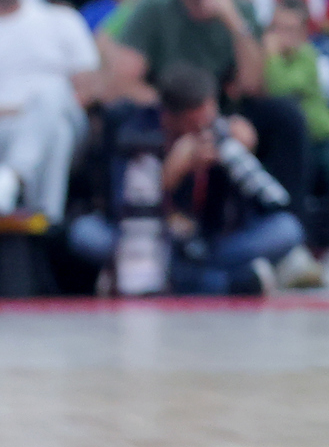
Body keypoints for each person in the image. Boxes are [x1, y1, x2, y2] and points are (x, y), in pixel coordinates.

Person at [98, 0, 312, 203]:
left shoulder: (242, 12)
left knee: (285, 115)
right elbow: (122, 84)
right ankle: (123, 214)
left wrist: (235, 24)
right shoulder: (156, 3)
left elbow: (253, 86)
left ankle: (285, 222)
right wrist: (182, 113)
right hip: (166, 110)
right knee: (118, 115)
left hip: (222, 113)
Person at [73, 63, 309, 296]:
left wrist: (240, 157)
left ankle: (183, 279)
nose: (203, 128)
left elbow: (261, 202)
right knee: (86, 234)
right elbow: (120, 207)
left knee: (287, 229)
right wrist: (168, 176)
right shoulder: (137, 134)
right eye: (194, 123)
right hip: (153, 241)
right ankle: (224, 282)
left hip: (211, 242)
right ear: (168, 116)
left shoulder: (221, 132)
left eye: (210, 117)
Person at [0, 0, 103, 219]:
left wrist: (33, 115)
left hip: (60, 116)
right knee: (55, 133)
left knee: (52, 94)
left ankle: (11, 178)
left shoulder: (61, 19)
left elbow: (87, 88)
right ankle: (45, 222)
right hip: (6, 124)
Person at [261, 0, 329, 292]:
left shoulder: (309, 56)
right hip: (287, 144)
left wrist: (271, 58)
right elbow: (275, 89)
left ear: (304, 33)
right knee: (290, 175)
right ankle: (294, 252)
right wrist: (270, 55)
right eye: (278, 28)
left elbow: (282, 85)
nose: (284, 36)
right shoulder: (264, 56)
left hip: (323, 138)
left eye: (292, 29)